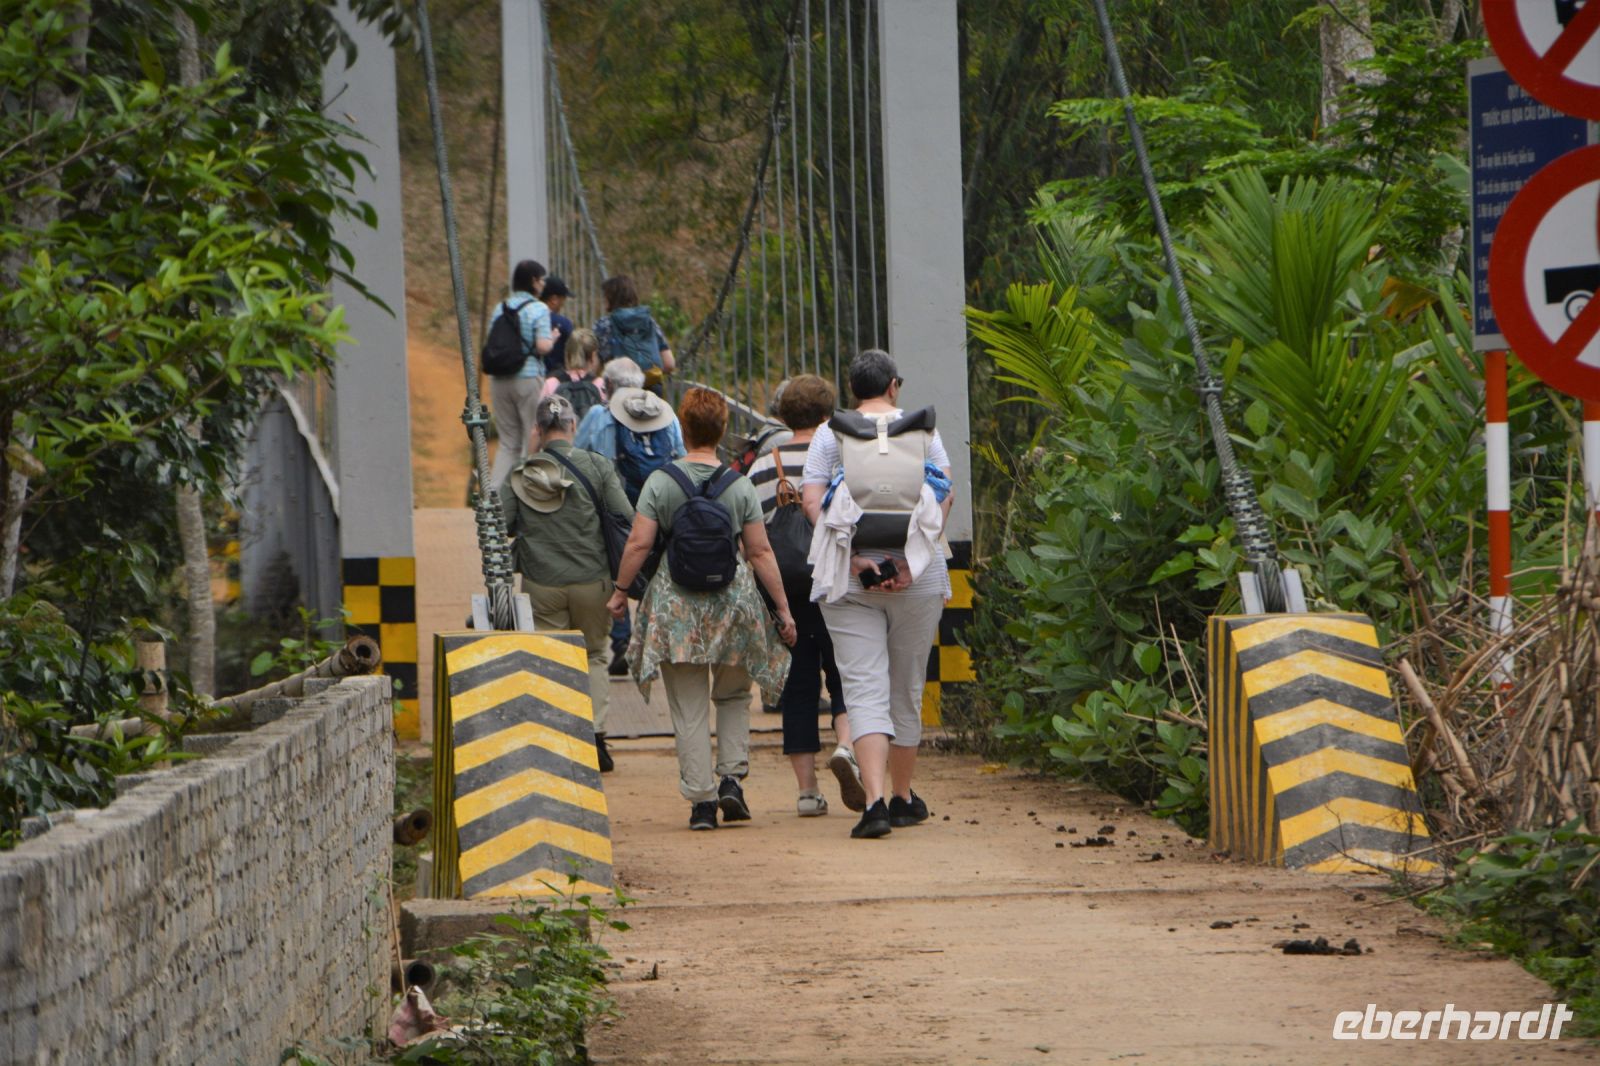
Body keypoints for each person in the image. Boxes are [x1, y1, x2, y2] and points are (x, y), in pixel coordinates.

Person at [607, 388, 798, 831]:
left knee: (689, 706)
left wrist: (620, 592)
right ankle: (731, 778)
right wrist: (783, 610)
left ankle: (701, 803)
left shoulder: (661, 481)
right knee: (732, 695)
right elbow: (760, 552)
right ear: (723, 430)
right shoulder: (740, 484)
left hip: (677, 607)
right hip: (733, 604)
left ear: (683, 429)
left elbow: (638, 543)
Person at [802, 349, 953, 839]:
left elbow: (811, 500)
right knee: (906, 687)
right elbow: (943, 495)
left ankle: (874, 804)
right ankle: (905, 797)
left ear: (853, 390)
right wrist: (910, 560)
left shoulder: (830, 433)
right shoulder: (922, 431)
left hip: (849, 578)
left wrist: (855, 560)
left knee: (864, 687)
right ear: (894, 386)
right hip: (918, 577)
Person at [745, 375, 859, 816]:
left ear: (781, 416)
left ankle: (808, 792)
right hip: (835, 579)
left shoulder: (760, 466)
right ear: (829, 415)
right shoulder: (843, 457)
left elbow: (751, 538)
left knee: (798, 685)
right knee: (846, 672)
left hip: (786, 587)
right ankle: (847, 747)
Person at [500, 395, 633, 772]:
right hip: (594, 580)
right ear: (573, 426)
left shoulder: (524, 472)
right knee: (594, 654)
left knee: (551, 657)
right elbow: (624, 514)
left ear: (538, 431)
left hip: (542, 582)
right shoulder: (597, 466)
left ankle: (557, 737)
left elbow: (503, 523)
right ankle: (595, 737)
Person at [575, 358, 687, 671]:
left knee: (617, 569)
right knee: (655, 572)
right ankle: (651, 643)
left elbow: (579, 453)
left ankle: (622, 639)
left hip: (617, 507)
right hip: (662, 503)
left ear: (608, 387)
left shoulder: (601, 414)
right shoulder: (665, 412)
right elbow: (679, 456)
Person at [488, 259, 560, 489]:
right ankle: (525, 495)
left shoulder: (500, 308)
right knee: (532, 437)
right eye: (541, 280)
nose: (543, 285)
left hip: (499, 380)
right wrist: (553, 339)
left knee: (508, 443)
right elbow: (542, 346)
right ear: (533, 281)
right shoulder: (539, 308)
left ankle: (494, 498)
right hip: (528, 379)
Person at [593, 275, 675, 384]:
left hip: (618, 390)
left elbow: (594, 365)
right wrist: (644, 376)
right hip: (652, 389)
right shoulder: (649, 321)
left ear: (609, 298)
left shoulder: (603, 325)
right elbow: (669, 363)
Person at [542, 326, 606, 422]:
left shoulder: (551, 383)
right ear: (593, 355)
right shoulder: (600, 385)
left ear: (567, 354)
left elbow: (541, 419)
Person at [540, 276, 576, 377]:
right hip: (557, 379)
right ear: (554, 299)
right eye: (563, 299)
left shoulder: (531, 319)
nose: (563, 303)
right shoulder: (564, 324)